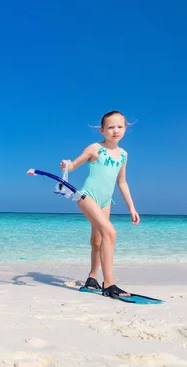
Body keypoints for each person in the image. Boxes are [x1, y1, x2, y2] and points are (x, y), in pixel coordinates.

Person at [59, 110, 140, 299]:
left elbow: (122, 182)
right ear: (102, 130)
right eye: (110, 127)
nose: (115, 130)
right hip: (87, 197)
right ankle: (109, 284)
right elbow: (73, 166)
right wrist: (66, 165)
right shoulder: (95, 148)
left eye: (120, 126)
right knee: (110, 233)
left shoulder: (123, 155)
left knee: (97, 240)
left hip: (105, 202)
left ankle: (92, 278)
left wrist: (131, 207)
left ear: (125, 128)